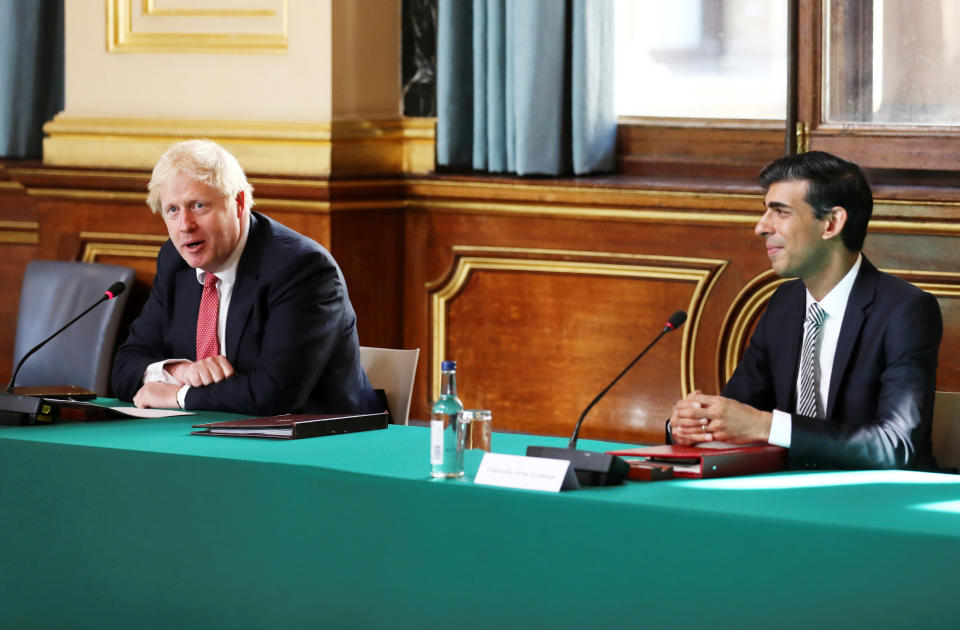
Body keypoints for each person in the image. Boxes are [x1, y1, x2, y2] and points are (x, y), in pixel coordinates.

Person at [668, 151, 942, 469]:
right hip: (785, 495)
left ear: (831, 223)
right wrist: (693, 423)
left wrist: (766, 426)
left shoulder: (905, 311)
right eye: (765, 212)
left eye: (780, 212)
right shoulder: (785, 304)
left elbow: (896, 446)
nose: (761, 227)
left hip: (875, 504)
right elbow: (737, 412)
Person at [112, 139, 381, 416]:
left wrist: (180, 395)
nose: (185, 226)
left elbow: (274, 394)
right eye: (173, 210)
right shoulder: (175, 262)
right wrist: (180, 371)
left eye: (199, 206)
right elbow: (124, 368)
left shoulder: (302, 269)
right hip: (215, 437)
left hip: (321, 441)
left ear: (238, 203)